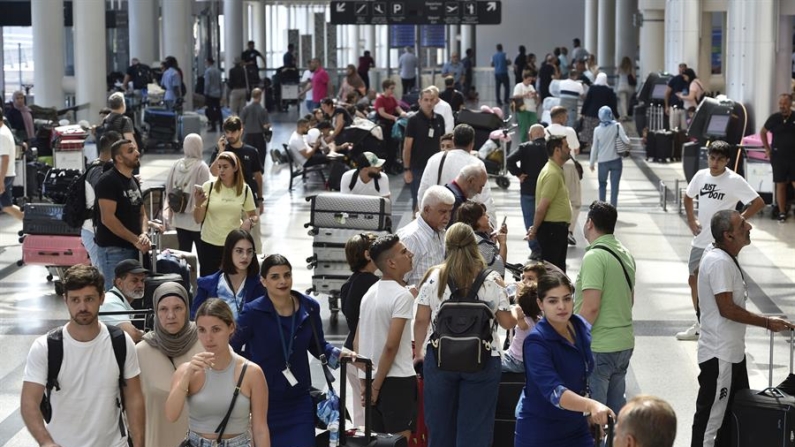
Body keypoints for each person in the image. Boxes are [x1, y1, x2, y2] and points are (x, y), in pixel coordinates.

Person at [691, 210, 795, 447]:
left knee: (732, 417)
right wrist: (768, 322)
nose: (749, 227)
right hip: (720, 356)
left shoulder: (719, 253)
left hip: (733, 353)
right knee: (711, 420)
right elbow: (726, 308)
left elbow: (697, 275)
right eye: (742, 226)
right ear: (728, 235)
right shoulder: (719, 262)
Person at [231, 254, 355, 447]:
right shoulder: (253, 312)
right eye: (275, 277)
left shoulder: (309, 308)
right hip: (263, 400)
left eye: (287, 275)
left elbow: (318, 346)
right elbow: (233, 349)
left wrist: (342, 356)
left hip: (299, 399)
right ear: (263, 281)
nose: (282, 281)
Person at [413, 223, 516, 447]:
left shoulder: (434, 278)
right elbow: (507, 322)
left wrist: (418, 352)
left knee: (439, 428)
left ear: (446, 245)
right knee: (476, 428)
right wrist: (512, 303)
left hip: (440, 358)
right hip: (484, 359)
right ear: (474, 244)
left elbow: (421, 319)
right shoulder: (491, 280)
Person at [21, 265, 145, 447]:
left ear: (102, 298)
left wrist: (139, 443)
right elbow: (29, 401)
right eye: (75, 300)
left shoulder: (120, 342)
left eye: (89, 299)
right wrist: (46, 442)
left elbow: (134, 397)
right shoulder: (45, 347)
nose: (83, 307)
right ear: (65, 300)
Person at [514, 271, 614, 447]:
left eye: (567, 298)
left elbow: (583, 374)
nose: (562, 306)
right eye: (553, 301)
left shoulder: (579, 326)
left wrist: (588, 413)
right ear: (540, 303)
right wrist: (590, 406)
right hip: (539, 432)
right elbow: (554, 392)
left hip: (575, 427)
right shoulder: (536, 342)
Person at [677, 140, 764, 341]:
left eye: (720, 159)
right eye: (712, 158)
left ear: (727, 161)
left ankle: (718, 325)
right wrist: (691, 219)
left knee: (722, 285)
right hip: (700, 240)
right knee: (693, 280)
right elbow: (688, 196)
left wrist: (739, 221)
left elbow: (758, 202)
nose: (715, 163)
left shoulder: (734, 180)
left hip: (722, 243)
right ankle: (700, 323)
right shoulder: (701, 176)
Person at [166, 298, 271, 447]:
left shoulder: (252, 372)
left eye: (216, 329)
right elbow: (171, 415)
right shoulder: (186, 370)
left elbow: (260, 429)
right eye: (202, 330)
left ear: (231, 328)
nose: (208, 338)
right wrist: (187, 375)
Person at [574, 201, 636, 414]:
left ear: (590, 223)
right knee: (614, 412)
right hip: (624, 343)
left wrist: (573, 338)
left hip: (600, 347)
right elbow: (630, 299)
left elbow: (591, 308)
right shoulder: (624, 253)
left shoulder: (594, 257)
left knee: (596, 418)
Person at [355, 234, 417, 440]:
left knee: (378, 441)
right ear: (390, 263)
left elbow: (357, 341)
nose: (410, 254)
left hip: (373, 378)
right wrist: (376, 387)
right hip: (397, 381)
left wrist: (366, 384)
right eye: (403, 252)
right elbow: (391, 345)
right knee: (399, 441)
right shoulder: (402, 296)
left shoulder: (369, 293)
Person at [136, 282, 203, 447]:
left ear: (187, 309)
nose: (171, 315)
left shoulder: (205, 343)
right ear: (156, 313)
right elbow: (132, 406)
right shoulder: (140, 352)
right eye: (163, 309)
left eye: (178, 308)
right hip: (159, 438)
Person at [95, 139, 151, 291]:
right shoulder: (108, 181)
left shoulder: (133, 180)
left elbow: (142, 212)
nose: (137, 153)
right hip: (114, 250)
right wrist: (135, 240)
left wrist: (144, 234)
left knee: (133, 294)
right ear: (118, 158)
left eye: (136, 149)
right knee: (116, 294)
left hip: (133, 248)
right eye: (131, 151)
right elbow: (108, 218)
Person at [194, 152, 258, 277]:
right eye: (219, 166)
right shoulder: (209, 187)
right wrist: (198, 204)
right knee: (209, 283)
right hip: (209, 244)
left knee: (232, 281)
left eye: (225, 166)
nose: (221, 170)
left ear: (235, 168)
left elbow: (254, 215)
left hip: (233, 245)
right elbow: (198, 219)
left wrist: (249, 221)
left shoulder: (244, 189)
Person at [418, 124, 497, 224]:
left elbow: (423, 192)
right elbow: (485, 200)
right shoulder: (477, 165)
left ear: (454, 140)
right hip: (464, 226)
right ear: (472, 143)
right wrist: (491, 226)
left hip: (435, 222)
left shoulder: (435, 159)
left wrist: (425, 220)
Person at [339, 233, 379, 427]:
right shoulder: (373, 285)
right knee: (371, 413)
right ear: (367, 254)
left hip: (350, 353)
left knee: (359, 414)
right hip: (366, 355)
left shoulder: (349, 283)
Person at [209, 116, 265, 252]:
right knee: (231, 238)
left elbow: (258, 176)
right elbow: (214, 172)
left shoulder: (251, 151)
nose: (230, 136)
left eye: (233, 132)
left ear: (241, 131)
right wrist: (221, 151)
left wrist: (260, 199)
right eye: (227, 132)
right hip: (228, 200)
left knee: (254, 238)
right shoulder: (221, 151)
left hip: (249, 199)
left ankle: (256, 266)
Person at [192, 229, 265, 320]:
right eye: (239, 251)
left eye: (249, 251)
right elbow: (195, 318)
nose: (245, 256)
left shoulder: (260, 284)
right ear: (229, 252)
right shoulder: (206, 285)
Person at [526, 135, 572, 272]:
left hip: (557, 230)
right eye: (566, 147)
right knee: (553, 273)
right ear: (557, 150)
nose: (569, 149)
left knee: (557, 271)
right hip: (552, 230)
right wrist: (534, 230)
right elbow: (542, 207)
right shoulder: (552, 174)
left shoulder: (556, 170)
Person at [397, 185, 455, 286]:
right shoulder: (411, 238)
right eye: (443, 212)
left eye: (450, 211)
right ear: (427, 210)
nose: (448, 217)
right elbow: (398, 281)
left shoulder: (440, 232)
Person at [165, 133, 211, 253]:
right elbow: (204, 194)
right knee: (203, 255)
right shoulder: (202, 167)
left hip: (179, 217)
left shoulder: (176, 165)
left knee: (183, 254)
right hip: (196, 220)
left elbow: (168, 188)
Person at [81, 131, 122, 266]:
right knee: (104, 275)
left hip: (96, 231)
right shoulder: (98, 172)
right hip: (94, 232)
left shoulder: (99, 168)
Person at [403, 87, 446, 210]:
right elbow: (407, 147)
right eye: (426, 100)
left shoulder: (439, 119)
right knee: (418, 203)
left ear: (435, 101)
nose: (429, 103)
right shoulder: (413, 120)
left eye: (431, 100)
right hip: (418, 168)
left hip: (436, 167)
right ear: (420, 101)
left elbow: (441, 142)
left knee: (436, 202)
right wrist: (407, 169)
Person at [507, 124, 547, 257]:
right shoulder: (551, 148)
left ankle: (535, 248)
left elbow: (509, 160)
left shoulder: (524, 147)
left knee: (530, 219)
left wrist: (518, 173)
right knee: (546, 218)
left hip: (528, 189)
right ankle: (545, 246)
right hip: (547, 190)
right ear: (544, 135)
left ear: (530, 135)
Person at [545, 106, 582, 247]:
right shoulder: (569, 131)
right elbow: (576, 148)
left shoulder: (544, 131)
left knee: (552, 200)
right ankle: (568, 231)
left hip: (551, 168)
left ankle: (554, 230)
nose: (566, 119)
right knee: (574, 201)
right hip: (569, 168)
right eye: (565, 116)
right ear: (560, 117)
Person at [760, 93, 795, 222]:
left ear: (790, 104)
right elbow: (763, 132)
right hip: (778, 156)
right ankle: (782, 212)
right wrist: (767, 149)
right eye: (780, 104)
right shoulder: (774, 118)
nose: (782, 106)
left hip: (793, 157)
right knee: (780, 185)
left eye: (785, 104)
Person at [98, 258, 147, 342]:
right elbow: (132, 335)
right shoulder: (111, 302)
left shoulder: (117, 299)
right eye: (134, 281)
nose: (140, 285)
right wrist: (147, 335)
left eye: (142, 281)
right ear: (119, 283)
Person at [455, 201, 507, 278]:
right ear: (474, 220)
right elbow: (498, 268)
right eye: (483, 214)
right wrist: (503, 243)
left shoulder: (468, 237)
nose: (488, 216)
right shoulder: (479, 243)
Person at [590, 106, 630, 206]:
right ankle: (613, 209)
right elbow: (625, 140)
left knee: (602, 185)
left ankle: (602, 208)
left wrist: (592, 163)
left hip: (602, 162)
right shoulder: (617, 126)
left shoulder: (597, 130)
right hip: (616, 160)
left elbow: (594, 147)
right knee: (614, 187)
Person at [502, 282, 542, 373]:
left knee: (491, 363)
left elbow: (522, 325)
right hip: (525, 360)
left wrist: (517, 312)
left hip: (516, 361)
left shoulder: (523, 321)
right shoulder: (538, 320)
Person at [374, 79, 407, 174]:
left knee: (394, 146)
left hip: (392, 124)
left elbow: (398, 108)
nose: (392, 90)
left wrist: (403, 113)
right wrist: (394, 117)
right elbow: (382, 113)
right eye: (391, 88)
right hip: (385, 125)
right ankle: (388, 167)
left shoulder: (392, 98)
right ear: (385, 88)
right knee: (389, 146)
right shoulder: (380, 99)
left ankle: (391, 164)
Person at [581, 72, 618, 149]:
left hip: (590, 114)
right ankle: (600, 149)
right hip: (604, 116)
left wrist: (583, 112)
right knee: (602, 134)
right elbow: (613, 105)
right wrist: (617, 115)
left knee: (591, 134)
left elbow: (587, 101)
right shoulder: (609, 90)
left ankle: (592, 149)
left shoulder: (592, 88)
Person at [240, 88, 272, 170]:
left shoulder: (246, 109)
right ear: (260, 96)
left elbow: (241, 123)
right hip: (259, 136)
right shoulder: (262, 110)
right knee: (260, 156)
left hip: (247, 136)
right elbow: (266, 126)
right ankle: (259, 172)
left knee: (247, 155)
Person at [0, 109, 23, 221]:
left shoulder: (2, 135)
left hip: (3, 175)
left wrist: (0, 180)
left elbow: (5, 158)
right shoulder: (4, 131)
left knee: (6, 205)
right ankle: (30, 221)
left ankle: (31, 221)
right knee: (7, 206)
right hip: (6, 174)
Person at [512, 70, 538, 143]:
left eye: (531, 80)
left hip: (532, 109)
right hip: (523, 109)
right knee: (523, 128)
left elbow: (536, 97)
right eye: (528, 80)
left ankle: (534, 142)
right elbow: (515, 96)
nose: (530, 82)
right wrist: (525, 95)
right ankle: (523, 143)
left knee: (534, 127)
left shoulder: (531, 86)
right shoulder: (519, 86)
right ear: (524, 78)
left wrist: (535, 95)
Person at [664, 63, 689, 130]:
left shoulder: (688, 81)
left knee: (684, 128)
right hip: (675, 107)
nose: (682, 71)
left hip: (685, 108)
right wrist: (666, 106)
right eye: (680, 69)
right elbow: (667, 93)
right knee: (673, 128)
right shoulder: (674, 80)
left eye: (683, 70)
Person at [203, 57, 223, 132]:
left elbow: (207, 83)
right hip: (217, 93)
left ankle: (213, 126)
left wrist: (205, 92)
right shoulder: (218, 71)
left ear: (208, 62)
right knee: (218, 109)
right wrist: (221, 92)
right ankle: (221, 126)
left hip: (210, 93)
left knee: (211, 110)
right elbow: (220, 83)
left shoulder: (208, 71)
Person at [616, 57, 636, 121]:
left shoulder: (620, 68)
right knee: (628, 101)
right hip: (629, 87)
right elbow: (634, 77)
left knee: (623, 102)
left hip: (621, 86)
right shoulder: (630, 68)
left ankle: (625, 115)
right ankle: (626, 114)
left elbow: (616, 73)